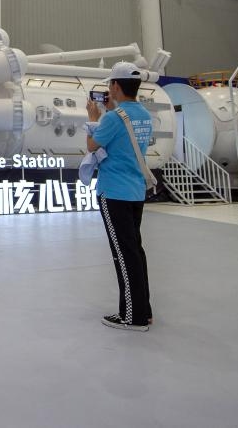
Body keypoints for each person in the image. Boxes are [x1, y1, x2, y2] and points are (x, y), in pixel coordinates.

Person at [85, 61, 155, 332]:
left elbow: (92, 146)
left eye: (109, 84)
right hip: (136, 191)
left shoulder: (113, 118)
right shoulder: (144, 116)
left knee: (123, 255)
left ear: (115, 86)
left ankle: (131, 316)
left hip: (114, 191)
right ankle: (143, 310)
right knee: (135, 251)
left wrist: (93, 119)